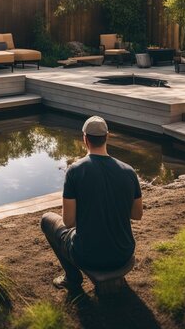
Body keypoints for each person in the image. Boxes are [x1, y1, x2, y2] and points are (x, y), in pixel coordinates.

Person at [41, 115, 143, 290]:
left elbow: (69, 222)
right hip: (123, 254)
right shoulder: (129, 171)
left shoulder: (74, 171)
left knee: (47, 219)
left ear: (85, 139)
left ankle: (72, 278)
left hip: (87, 255)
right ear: (107, 137)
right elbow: (137, 215)